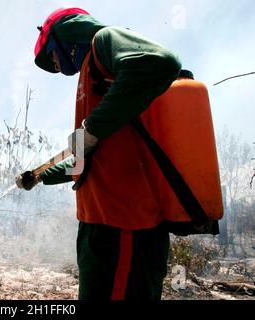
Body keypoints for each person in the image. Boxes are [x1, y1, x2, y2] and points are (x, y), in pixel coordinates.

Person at [15, 7, 183, 300]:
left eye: (53, 55)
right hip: (99, 228)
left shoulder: (104, 41)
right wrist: (39, 176)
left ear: (65, 37)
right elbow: (83, 161)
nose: (54, 63)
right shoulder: (91, 76)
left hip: (125, 226)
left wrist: (91, 129)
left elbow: (163, 62)